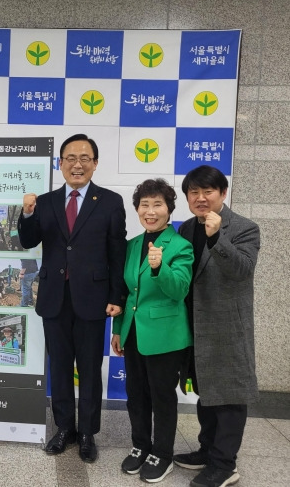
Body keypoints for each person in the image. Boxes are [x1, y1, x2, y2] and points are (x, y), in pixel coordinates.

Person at [18, 133, 127, 463]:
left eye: (84, 158)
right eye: (70, 158)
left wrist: (116, 296)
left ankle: (88, 433)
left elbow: (117, 253)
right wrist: (26, 214)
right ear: (60, 163)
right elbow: (27, 241)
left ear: (95, 164)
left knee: (91, 369)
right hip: (54, 297)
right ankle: (64, 427)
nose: (77, 164)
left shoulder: (109, 202)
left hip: (93, 299)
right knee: (60, 368)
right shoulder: (47, 201)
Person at [173, 165, 260, 487]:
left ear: (223, 193)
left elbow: (242, 270)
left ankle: (225, 465)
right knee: (206, 392)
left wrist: (217, 237)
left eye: (207, 191)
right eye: (193, 192)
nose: (200, 198)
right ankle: (207, 450)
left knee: (229, 397)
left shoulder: (244, 228)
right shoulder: (184, 230)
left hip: (226, 328)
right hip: (193, 326)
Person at [111, 179, 193, 483]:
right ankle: (140, 445)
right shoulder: (133, 245)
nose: (150, 210)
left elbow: (179, 290)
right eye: (144, 204)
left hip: (166, 335)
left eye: (157, 204)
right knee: (136, 394)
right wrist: (118, 328)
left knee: (162, 397)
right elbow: (125, 293)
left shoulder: (181, 245)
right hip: (133, 332)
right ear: (137, 209)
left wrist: (160, 269)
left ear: (169, 209)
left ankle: (163, 453)